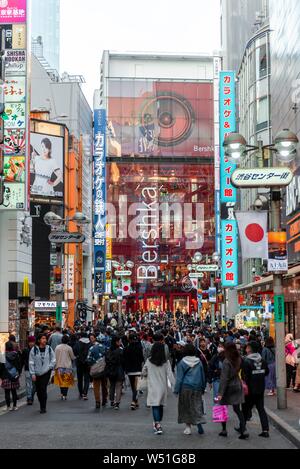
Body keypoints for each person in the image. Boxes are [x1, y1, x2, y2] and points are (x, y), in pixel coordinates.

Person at [217, 343, 248, 440]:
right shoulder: (239, 358)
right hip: (237, 384)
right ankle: (244, 430)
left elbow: (224, 378)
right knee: (237, 409)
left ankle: (224, 430)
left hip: (228, 387)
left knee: (223, 407)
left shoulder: (227, 361)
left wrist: (220, 393)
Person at [174, 343, 206, 436]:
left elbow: (179, 378)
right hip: (197, 387)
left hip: (185, 387)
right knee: (197, 405)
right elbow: (202, 375)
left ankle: (188, 428)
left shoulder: (182, 362)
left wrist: (176, 390)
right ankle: (199, 422)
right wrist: (203, 387)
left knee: (185, 407)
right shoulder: (199, 362)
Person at [242, 341, 270, 438]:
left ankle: (242, 429)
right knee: (261, 409)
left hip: (250, 389)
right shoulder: (262, 360)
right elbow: (266, 372)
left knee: (246, 410)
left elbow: (245, 376)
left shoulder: (246, 361)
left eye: (247, 347)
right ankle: (265, 430)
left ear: (250, 349)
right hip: (260, 387)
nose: (246, 348)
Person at [142, 342, 169, 435]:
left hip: (153, 386)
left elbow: (144, 372)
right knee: (160, 405)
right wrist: (175, 387)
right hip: (162, 386)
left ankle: (157, 424)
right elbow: (170, 374)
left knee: (155, 405)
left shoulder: (149, 361)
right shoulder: (166, 362)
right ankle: (158, 422)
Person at [29, 334, 56, 414]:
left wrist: (50, 367)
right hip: (36, 373)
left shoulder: (49, 349)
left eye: (45, 338)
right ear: (39, 340)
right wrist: (32, 373)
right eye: (43, 338)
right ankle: (41, 402)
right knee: (38, 390)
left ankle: (43, 407)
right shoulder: (34, 350)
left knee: (43, 389)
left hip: (46, 372)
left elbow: (53, 359)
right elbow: (31, 362)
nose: (45, 340)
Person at [208, 342, 227, 436]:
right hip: (216, 380)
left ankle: (223, 414)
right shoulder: (215, 357)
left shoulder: (227, 357)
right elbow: (210, 367)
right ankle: (218, 415)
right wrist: (210, 380)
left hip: (225, 381)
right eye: (219, 346)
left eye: (221, 347)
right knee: (217, 397)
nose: (220, 348)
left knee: (224, 398)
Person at [124, 333, 144, 410]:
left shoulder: (126, 348)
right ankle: (134, 401)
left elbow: (124, 359)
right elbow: (142, 358)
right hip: (138, 369)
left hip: (130, 370)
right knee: (137, 387)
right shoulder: (139, 347)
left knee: (133, 386)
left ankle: (135, 401)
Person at [0, 341, 22, 411]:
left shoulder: (2, 355)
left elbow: (1, 367)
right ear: (12, 347)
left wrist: (1, 376)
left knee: (7, 392)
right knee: (14, 391)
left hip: (5, 376)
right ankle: (15, 406)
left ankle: (8, 406)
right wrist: (18, 373)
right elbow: (19, 365)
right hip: (14, 375)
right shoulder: (16, 354)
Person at [87, 333, 107, 409]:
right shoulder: (105, 348)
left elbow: (88, 359)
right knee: (104, 385)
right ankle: (104, 400)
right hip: (104, 369)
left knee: (96, 386)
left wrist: (92, 365)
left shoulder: (92, 348)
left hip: (95, 370)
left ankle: (97, 401)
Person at [105, 336, 125, 410]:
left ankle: (112, 400)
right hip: (119, 369)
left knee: (112, 385)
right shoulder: (120, 350)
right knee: (119, 386)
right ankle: (117, 403)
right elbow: (123, 361)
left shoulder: (108, 350)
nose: (120, 342)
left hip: (111, 370)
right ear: (116, 342)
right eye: (119, 341)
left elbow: (106, 360)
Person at [54, 335, 75, 400]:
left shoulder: (57, 347)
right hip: (67, 366)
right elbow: (72, 357)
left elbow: (55, 356)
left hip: (59, 365)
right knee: (66, 382)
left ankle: (62, 393)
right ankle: (65, 395)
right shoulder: (69, 348)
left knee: (61, 381)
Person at [73, 332, 91, 400]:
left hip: (79, 363)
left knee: (80, 379)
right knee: (87, 379)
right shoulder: (90, 344)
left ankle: (80, 393)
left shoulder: (77, 343)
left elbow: (74, 351)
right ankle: (85, 393)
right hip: (87, 363)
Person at [21, 336, 36, 405]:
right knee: (28, 384)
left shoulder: (36, 350)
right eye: (30, 342)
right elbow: (22, 360)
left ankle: (31, 396)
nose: (31, 343)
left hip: (35, 370)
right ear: (28, 342)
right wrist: (20, 370)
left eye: (33, 342)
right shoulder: (25, 350)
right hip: (27, 369)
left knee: (34, 385)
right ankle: (29, 398)